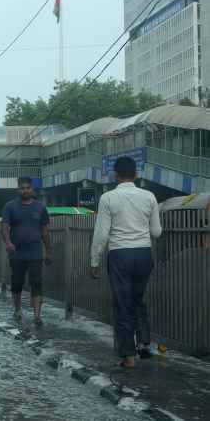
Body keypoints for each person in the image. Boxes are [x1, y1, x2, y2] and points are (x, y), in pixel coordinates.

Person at [90, 156, 162, 368]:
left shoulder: (108, 198)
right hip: (143, 254)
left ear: (115, 175)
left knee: (122, 303)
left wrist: (94, 260)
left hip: (120, 255)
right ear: (136, 174)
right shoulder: (149, 197)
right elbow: (156, 232)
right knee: (138, 299)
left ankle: (128, 356)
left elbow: (102, 234)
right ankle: (143, 343)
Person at [2, 176, 52, 326]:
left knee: (36, 282)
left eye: (28, 188)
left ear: (32, 189)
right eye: (22, 188)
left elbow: (45, 231)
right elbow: (5, 227)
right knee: (17, 283)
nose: (25, 191)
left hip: (35, 252)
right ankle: (17, 310)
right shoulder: (10, 207)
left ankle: (37, 316)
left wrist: (48, 251)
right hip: (16, 252)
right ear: (18, 189)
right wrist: (8, 242)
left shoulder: (40, 208)